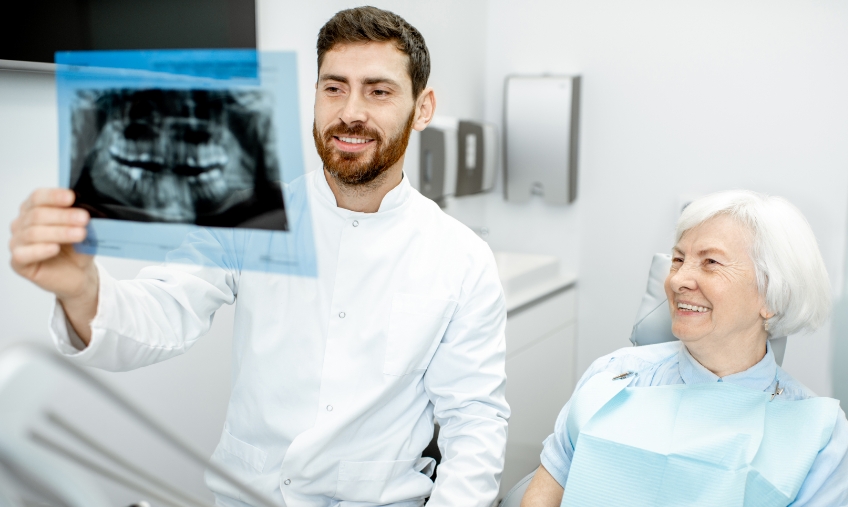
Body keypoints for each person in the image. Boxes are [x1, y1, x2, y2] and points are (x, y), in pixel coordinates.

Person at [8, 7, 509, 507]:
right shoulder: (249, 213)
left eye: (378, 91)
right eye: (334, 88)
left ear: (423, 108)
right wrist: (82, 289)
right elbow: (162, 314)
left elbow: (475, 421)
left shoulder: (461, 257)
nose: (351, 111)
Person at [521, 190, 848, 507]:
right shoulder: (612, 377)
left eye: (710, 262)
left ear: (773, 296)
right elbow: (549, 487)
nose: (678, 280)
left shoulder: (819, 436)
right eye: (678, 259)